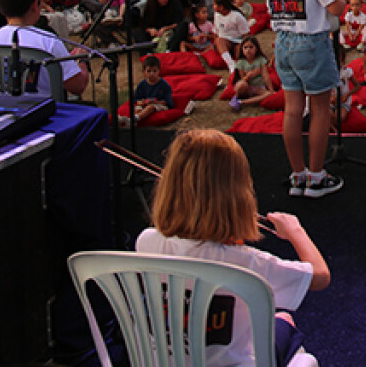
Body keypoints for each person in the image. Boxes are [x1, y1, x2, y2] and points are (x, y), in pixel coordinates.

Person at [135, 129, 328, 367]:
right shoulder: (247, 263)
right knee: (284, 319)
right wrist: (295, 230)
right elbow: (320, 277)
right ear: (239, 194)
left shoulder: (145, 242)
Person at [266, 0, 346, 200]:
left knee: (292, 111)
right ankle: (316, 176)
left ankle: (297, 173)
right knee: (320, 110)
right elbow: (334, 8)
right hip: (311, 43)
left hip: (283, 44)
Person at [0, 0, 89, 98]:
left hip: (1, 113)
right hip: (42, 115)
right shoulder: (48, 42)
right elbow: (77, 86)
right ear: (35, 5)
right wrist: (82, 61)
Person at [121, 55, 175, 128]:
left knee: (150, 107)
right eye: (149, 71)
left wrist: (154, 102)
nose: (152, 74)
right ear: (144, 72)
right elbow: (135, 99)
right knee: (138, 108)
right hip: (145, 104)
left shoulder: (164, 85)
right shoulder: (142, 84)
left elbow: (167, 102)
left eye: (154, 71)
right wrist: (140, 102)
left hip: (158, 105)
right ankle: (133, 122)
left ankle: (134, 119)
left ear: (159, 71)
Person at [229, 35, 273, 112]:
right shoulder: (241, 62)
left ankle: (242, 102)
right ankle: (235, 98)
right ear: (242, 49)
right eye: (245, 48)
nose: (248, 50)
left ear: (256, 48)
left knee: (268, 94)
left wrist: (271, 89)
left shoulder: (261, 60)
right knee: (241, 85)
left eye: (251, 47)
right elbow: (243, 79)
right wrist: (250, 75)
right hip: (247, 86)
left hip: (258, 87)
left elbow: (266, 76)